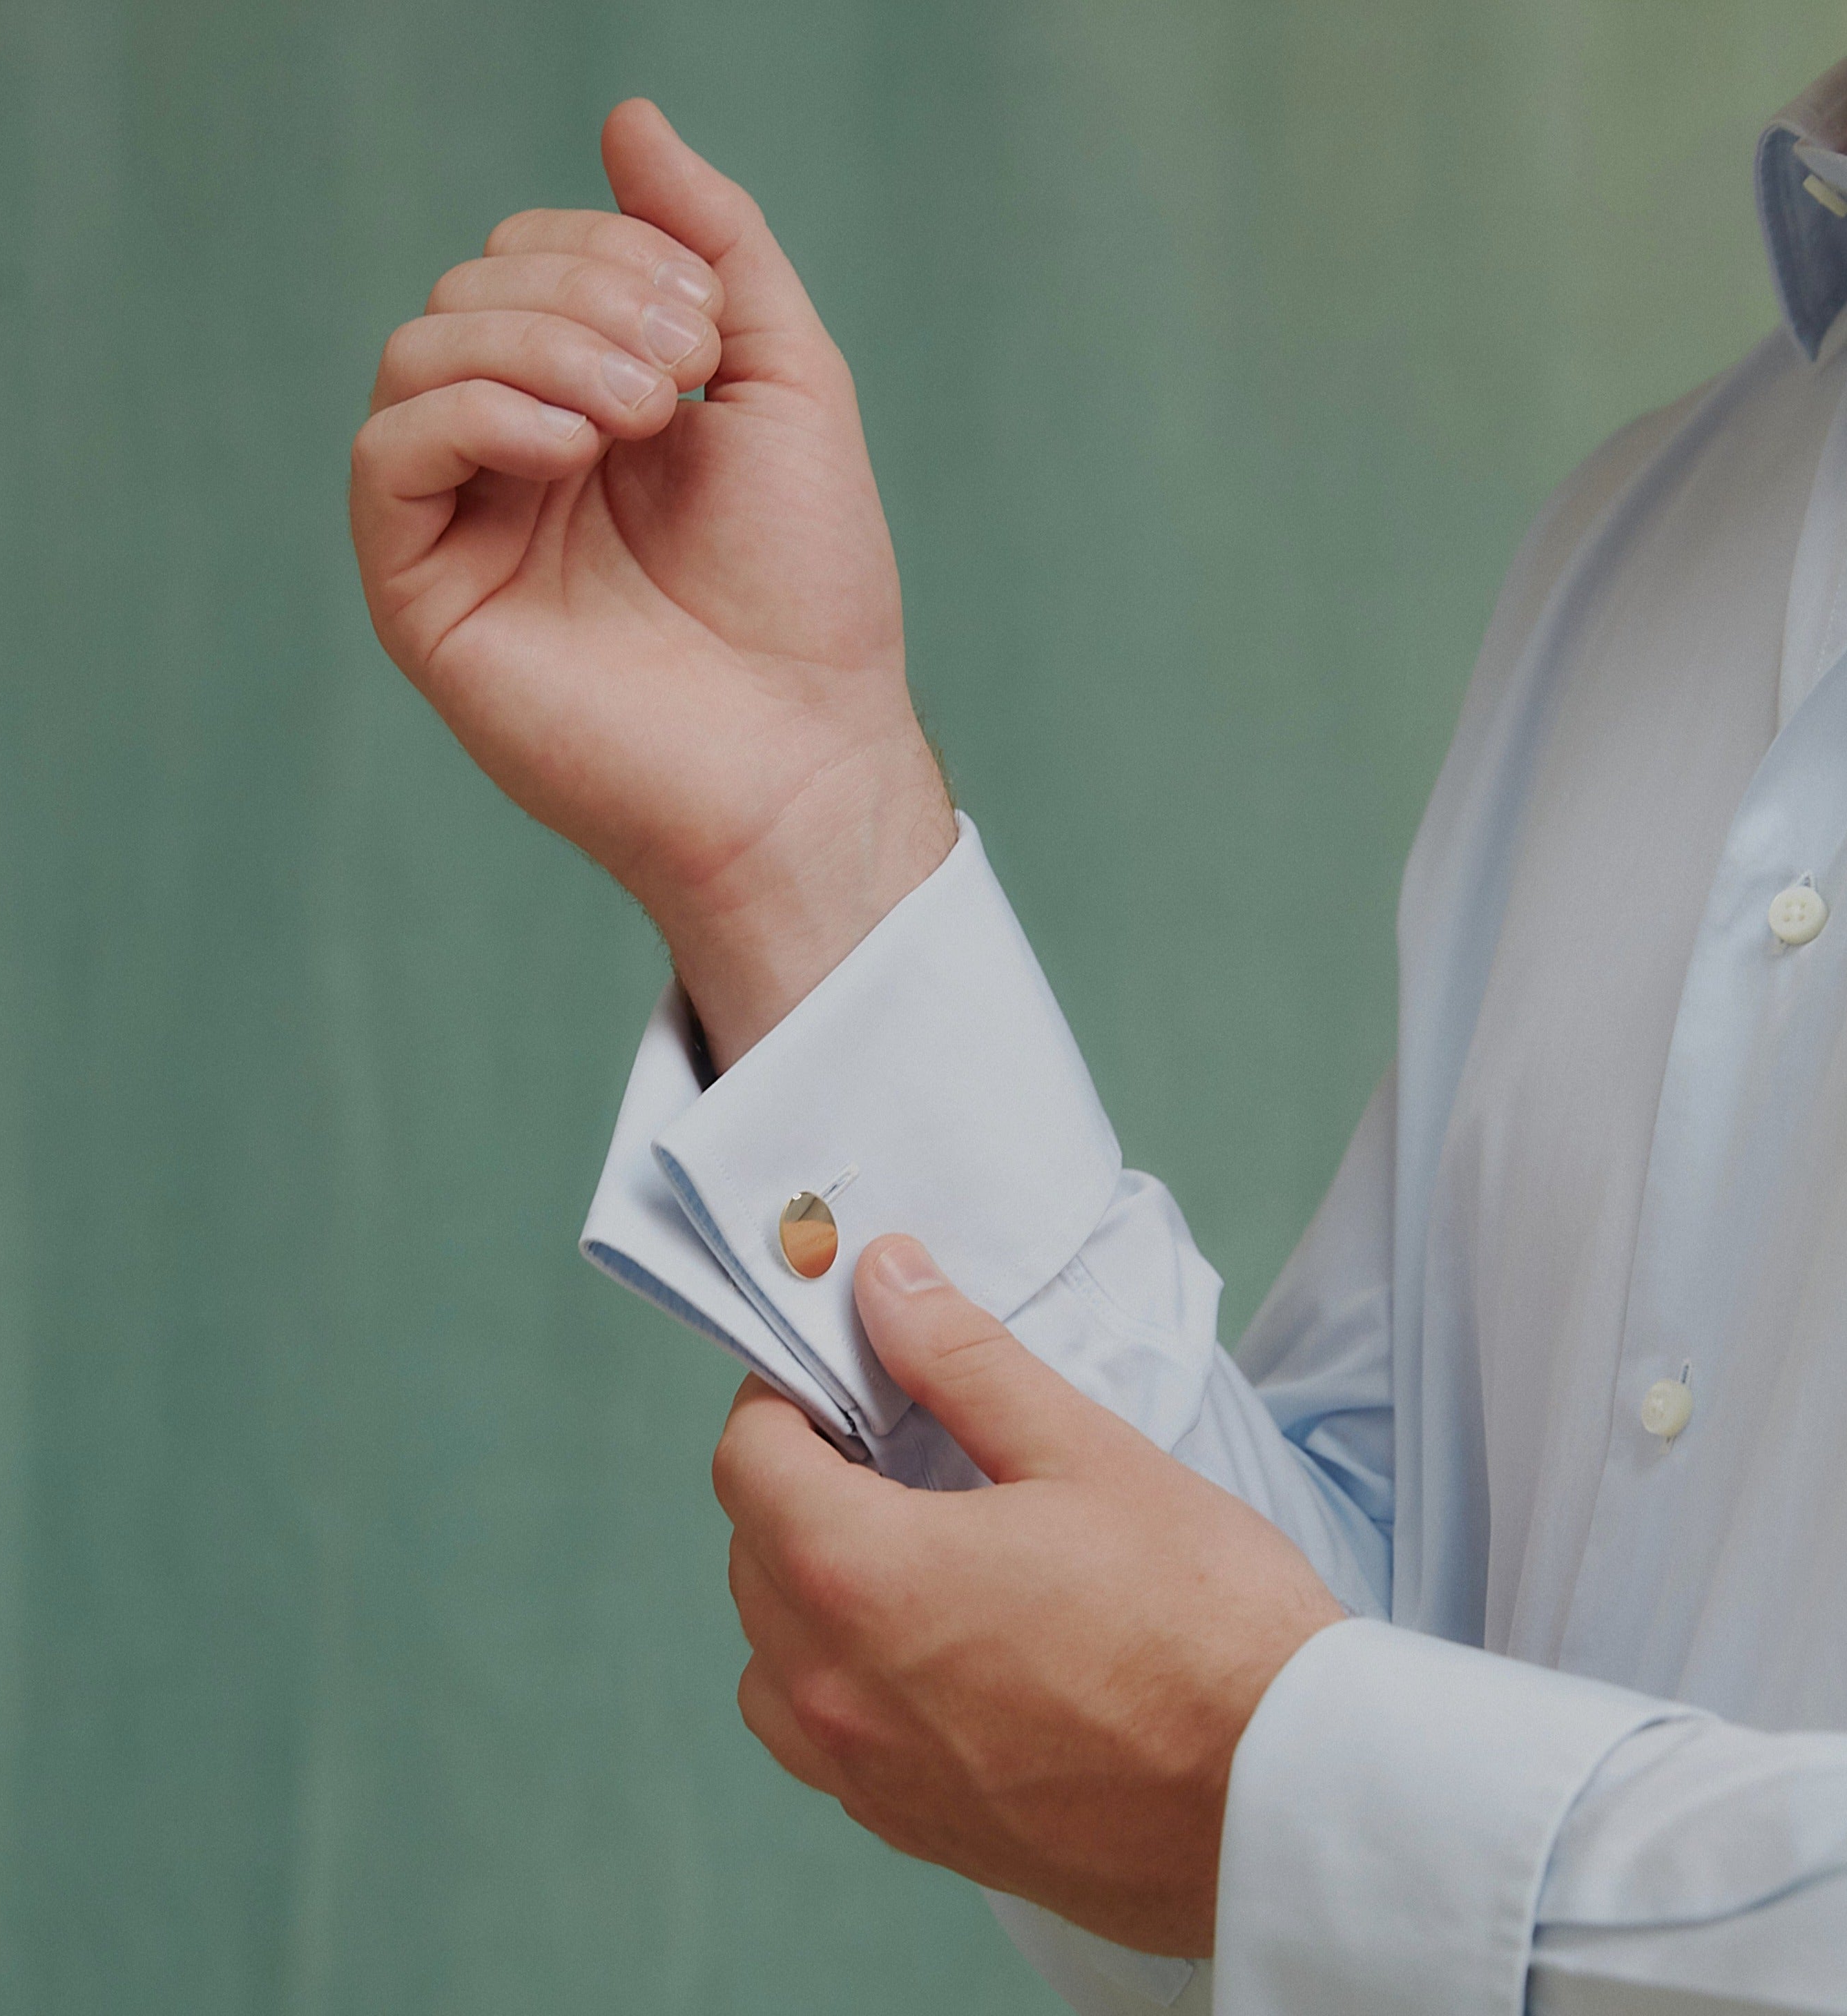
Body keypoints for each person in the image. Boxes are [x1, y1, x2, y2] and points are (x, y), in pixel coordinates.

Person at [347, 60, 1847, 2016]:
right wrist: (809, 851)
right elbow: (1308, 1716)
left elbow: (1298, 1784)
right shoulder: (1653, 544)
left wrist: (1295, 1797)